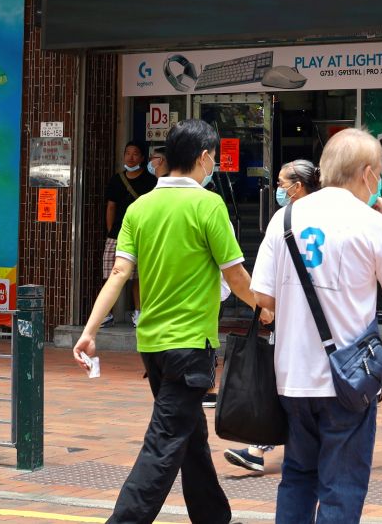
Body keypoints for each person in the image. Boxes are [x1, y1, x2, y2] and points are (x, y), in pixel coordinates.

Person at [73, 119, 262, 524]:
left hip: (153, 347)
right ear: (205, 157)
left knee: (189, 435)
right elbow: (236, 278)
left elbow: (119, 275)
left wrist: (90, 332)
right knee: (162, 445)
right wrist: (272, 308)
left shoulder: (140, 207)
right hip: (190, 346)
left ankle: (213, 517)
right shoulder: (208, 205)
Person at [249, 129, 382, 524]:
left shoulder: (284, 217)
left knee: (298, 477)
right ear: (368, 174)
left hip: (291, 377)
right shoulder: (371, 223)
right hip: (348, 381)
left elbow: (263, 298)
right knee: (342, 485)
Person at [223, 157, 322, 476]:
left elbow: (264, 285)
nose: (277, 189)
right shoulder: (333, 218)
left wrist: (266, 306)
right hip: (326, 323)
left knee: (285, 383)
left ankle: (263, 447)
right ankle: (266, 447)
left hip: (293, 319)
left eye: (281, 184)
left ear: (298, 186)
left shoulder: (283, 219)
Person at [103, 142, 151, 328]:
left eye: (135, 153)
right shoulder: (117, 180)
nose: (130, 157)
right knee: (110, 274)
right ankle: (106, 314)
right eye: (127, 153)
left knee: (138, 277)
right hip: (116, 234)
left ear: (142, 158)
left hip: (141, 234)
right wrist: (111, 231)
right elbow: (111, 206)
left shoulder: (149, 180)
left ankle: (138, 312)